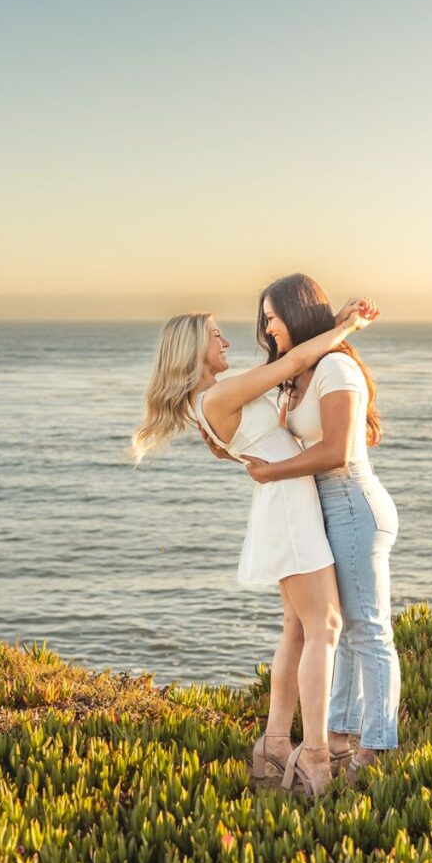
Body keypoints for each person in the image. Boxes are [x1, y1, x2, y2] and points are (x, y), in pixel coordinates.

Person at [129, 300, 378, 797]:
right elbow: (288, 365)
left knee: (298, 631)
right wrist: (347, 327)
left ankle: (275, 745)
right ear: (194, 349)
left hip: (284, 504)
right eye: (215, 335)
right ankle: (313, 753)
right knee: (324, 627)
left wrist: (329, 326)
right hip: (289, 511)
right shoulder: (219, 396)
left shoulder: (213, 399)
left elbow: (287, 368)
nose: (224, 341)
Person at [242, 274, 400, 784]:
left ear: (295, 312)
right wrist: (337, 324)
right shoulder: (308, 366)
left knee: (369, 631)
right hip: (325, 509)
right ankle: (337, 735)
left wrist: (271, 473)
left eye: (272, 317)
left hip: (352, 502)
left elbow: (335, 450)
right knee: (339, 629)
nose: (267, 329)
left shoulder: (336, 369)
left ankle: (376, 746)